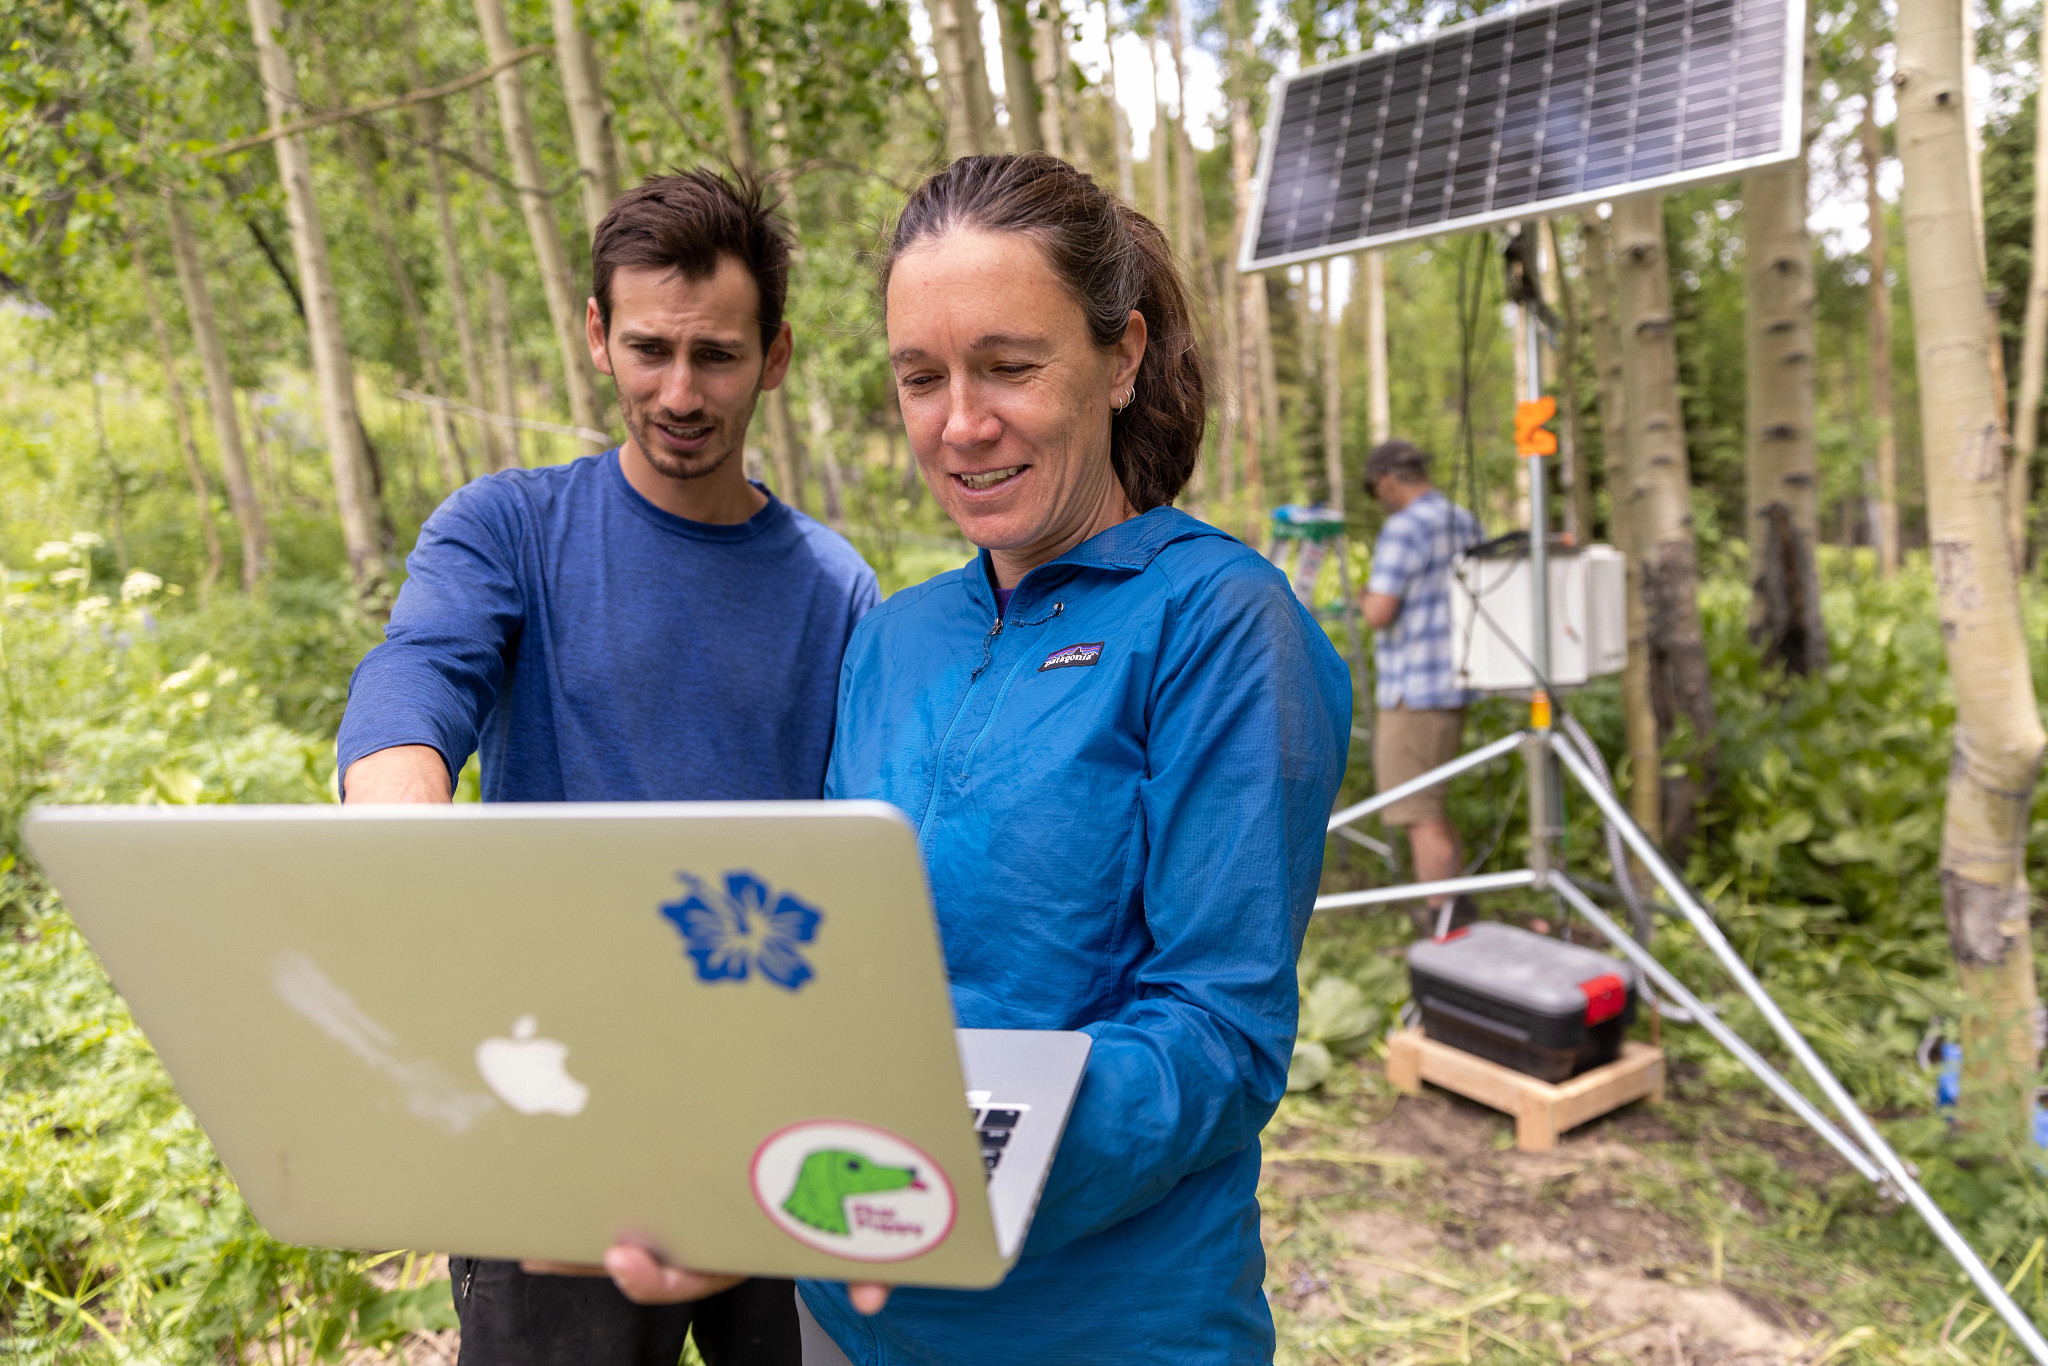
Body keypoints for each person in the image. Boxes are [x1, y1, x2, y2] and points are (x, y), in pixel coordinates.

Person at [589, 153, 1353, 1363]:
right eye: (920, 376)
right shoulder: (892, 638)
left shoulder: (1218, 623)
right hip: (847, 1310)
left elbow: (1216, 1033)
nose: (959, 422)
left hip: (1101, 1325)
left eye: (1008, 365)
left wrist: (929, 1175)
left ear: (1121, 356)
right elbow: (831, 965)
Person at [335, 168, 878, 1366]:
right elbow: (416, 677)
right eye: (647, 349)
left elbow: (863, 850)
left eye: (717, 356)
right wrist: (397, 825)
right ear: (595, 334)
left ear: (775, 355)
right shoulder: (507, 526)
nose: (678, 392)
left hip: (770, 1103)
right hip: (552, 1105)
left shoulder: (835, 587)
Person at [1360, 438, 1483, 938]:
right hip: (1455, 683)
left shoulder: (1403, 528)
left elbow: (1378, 612)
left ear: (1387, 480)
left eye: (1375, 489)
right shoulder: (1464, 519)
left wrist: (1366, 593)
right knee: (1433, 804)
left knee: (1418, 812)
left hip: (1414, 689)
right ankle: (1458, 911)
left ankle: (1443, 926)